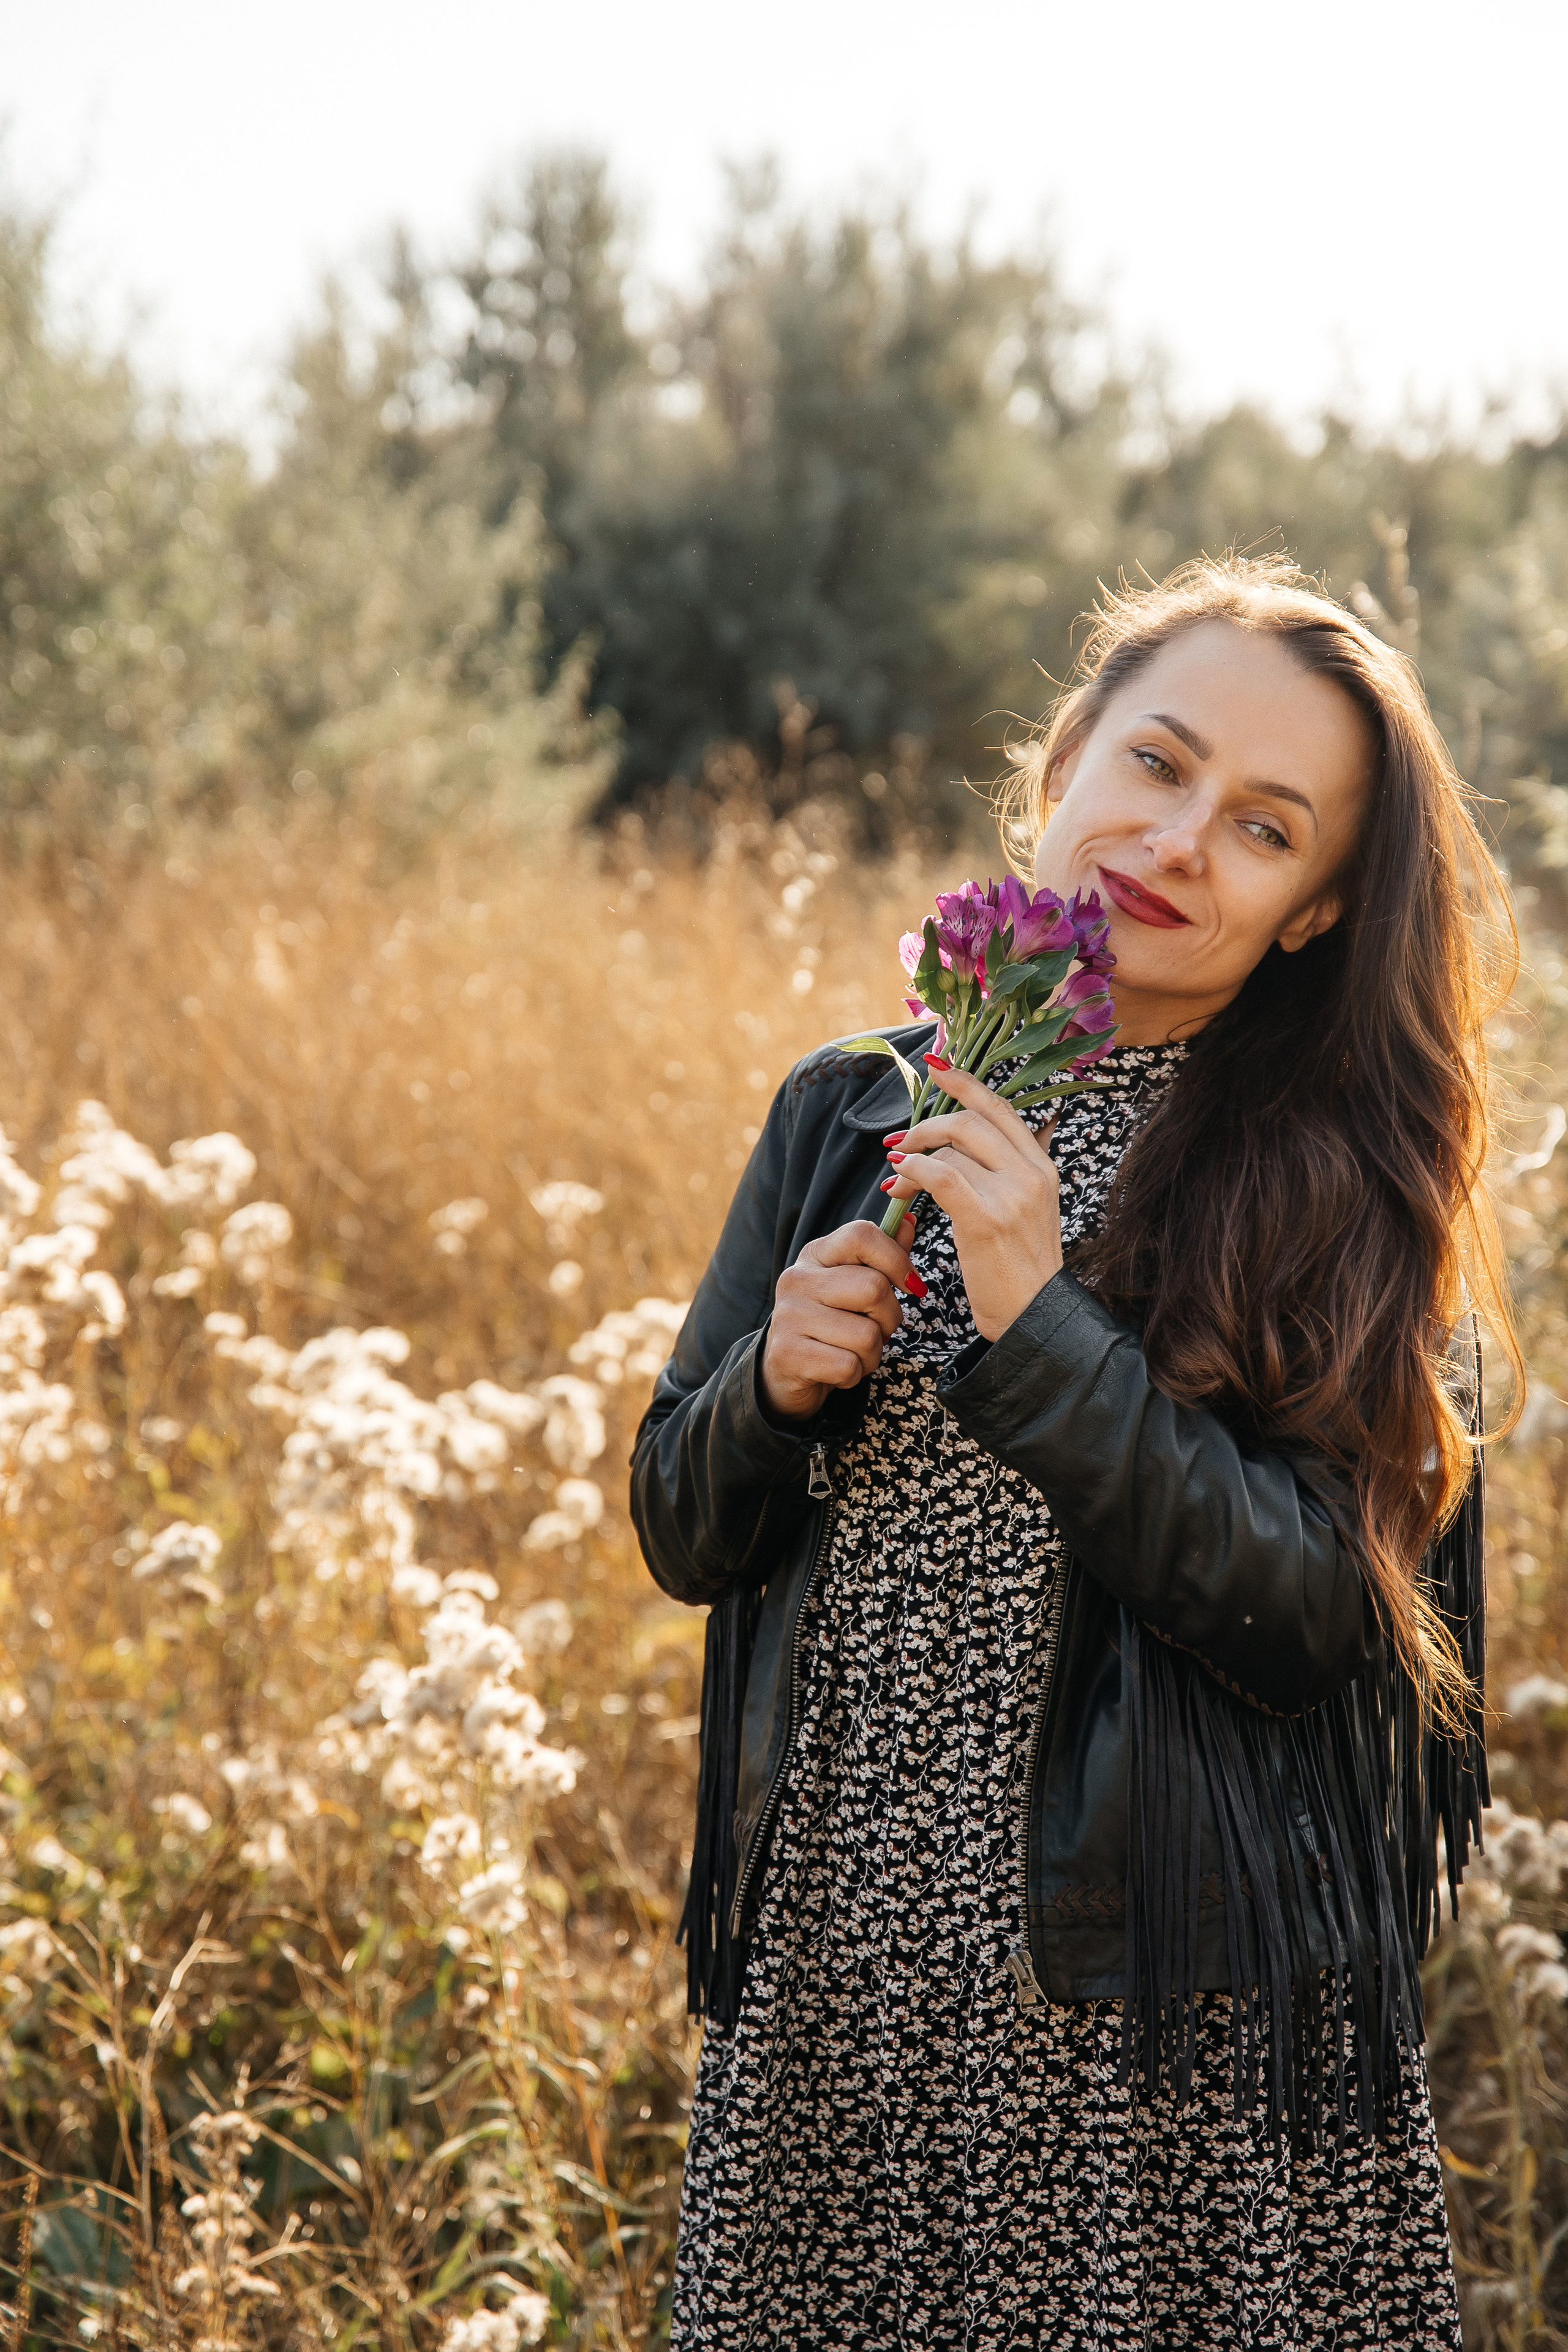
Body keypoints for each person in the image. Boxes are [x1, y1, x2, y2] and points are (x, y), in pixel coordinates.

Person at [630, 554, 1520, 2350]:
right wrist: (770, 1395)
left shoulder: (1342, 1184)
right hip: (849, 1968)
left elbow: (1311, 1613)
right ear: (1064, 766)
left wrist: (1043, 1327)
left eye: (1266, 831)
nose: (1181, 840)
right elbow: (679, 1520)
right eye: (1158, 765)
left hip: (1149, 2010)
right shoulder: (850, 1106)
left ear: (1318, 917)